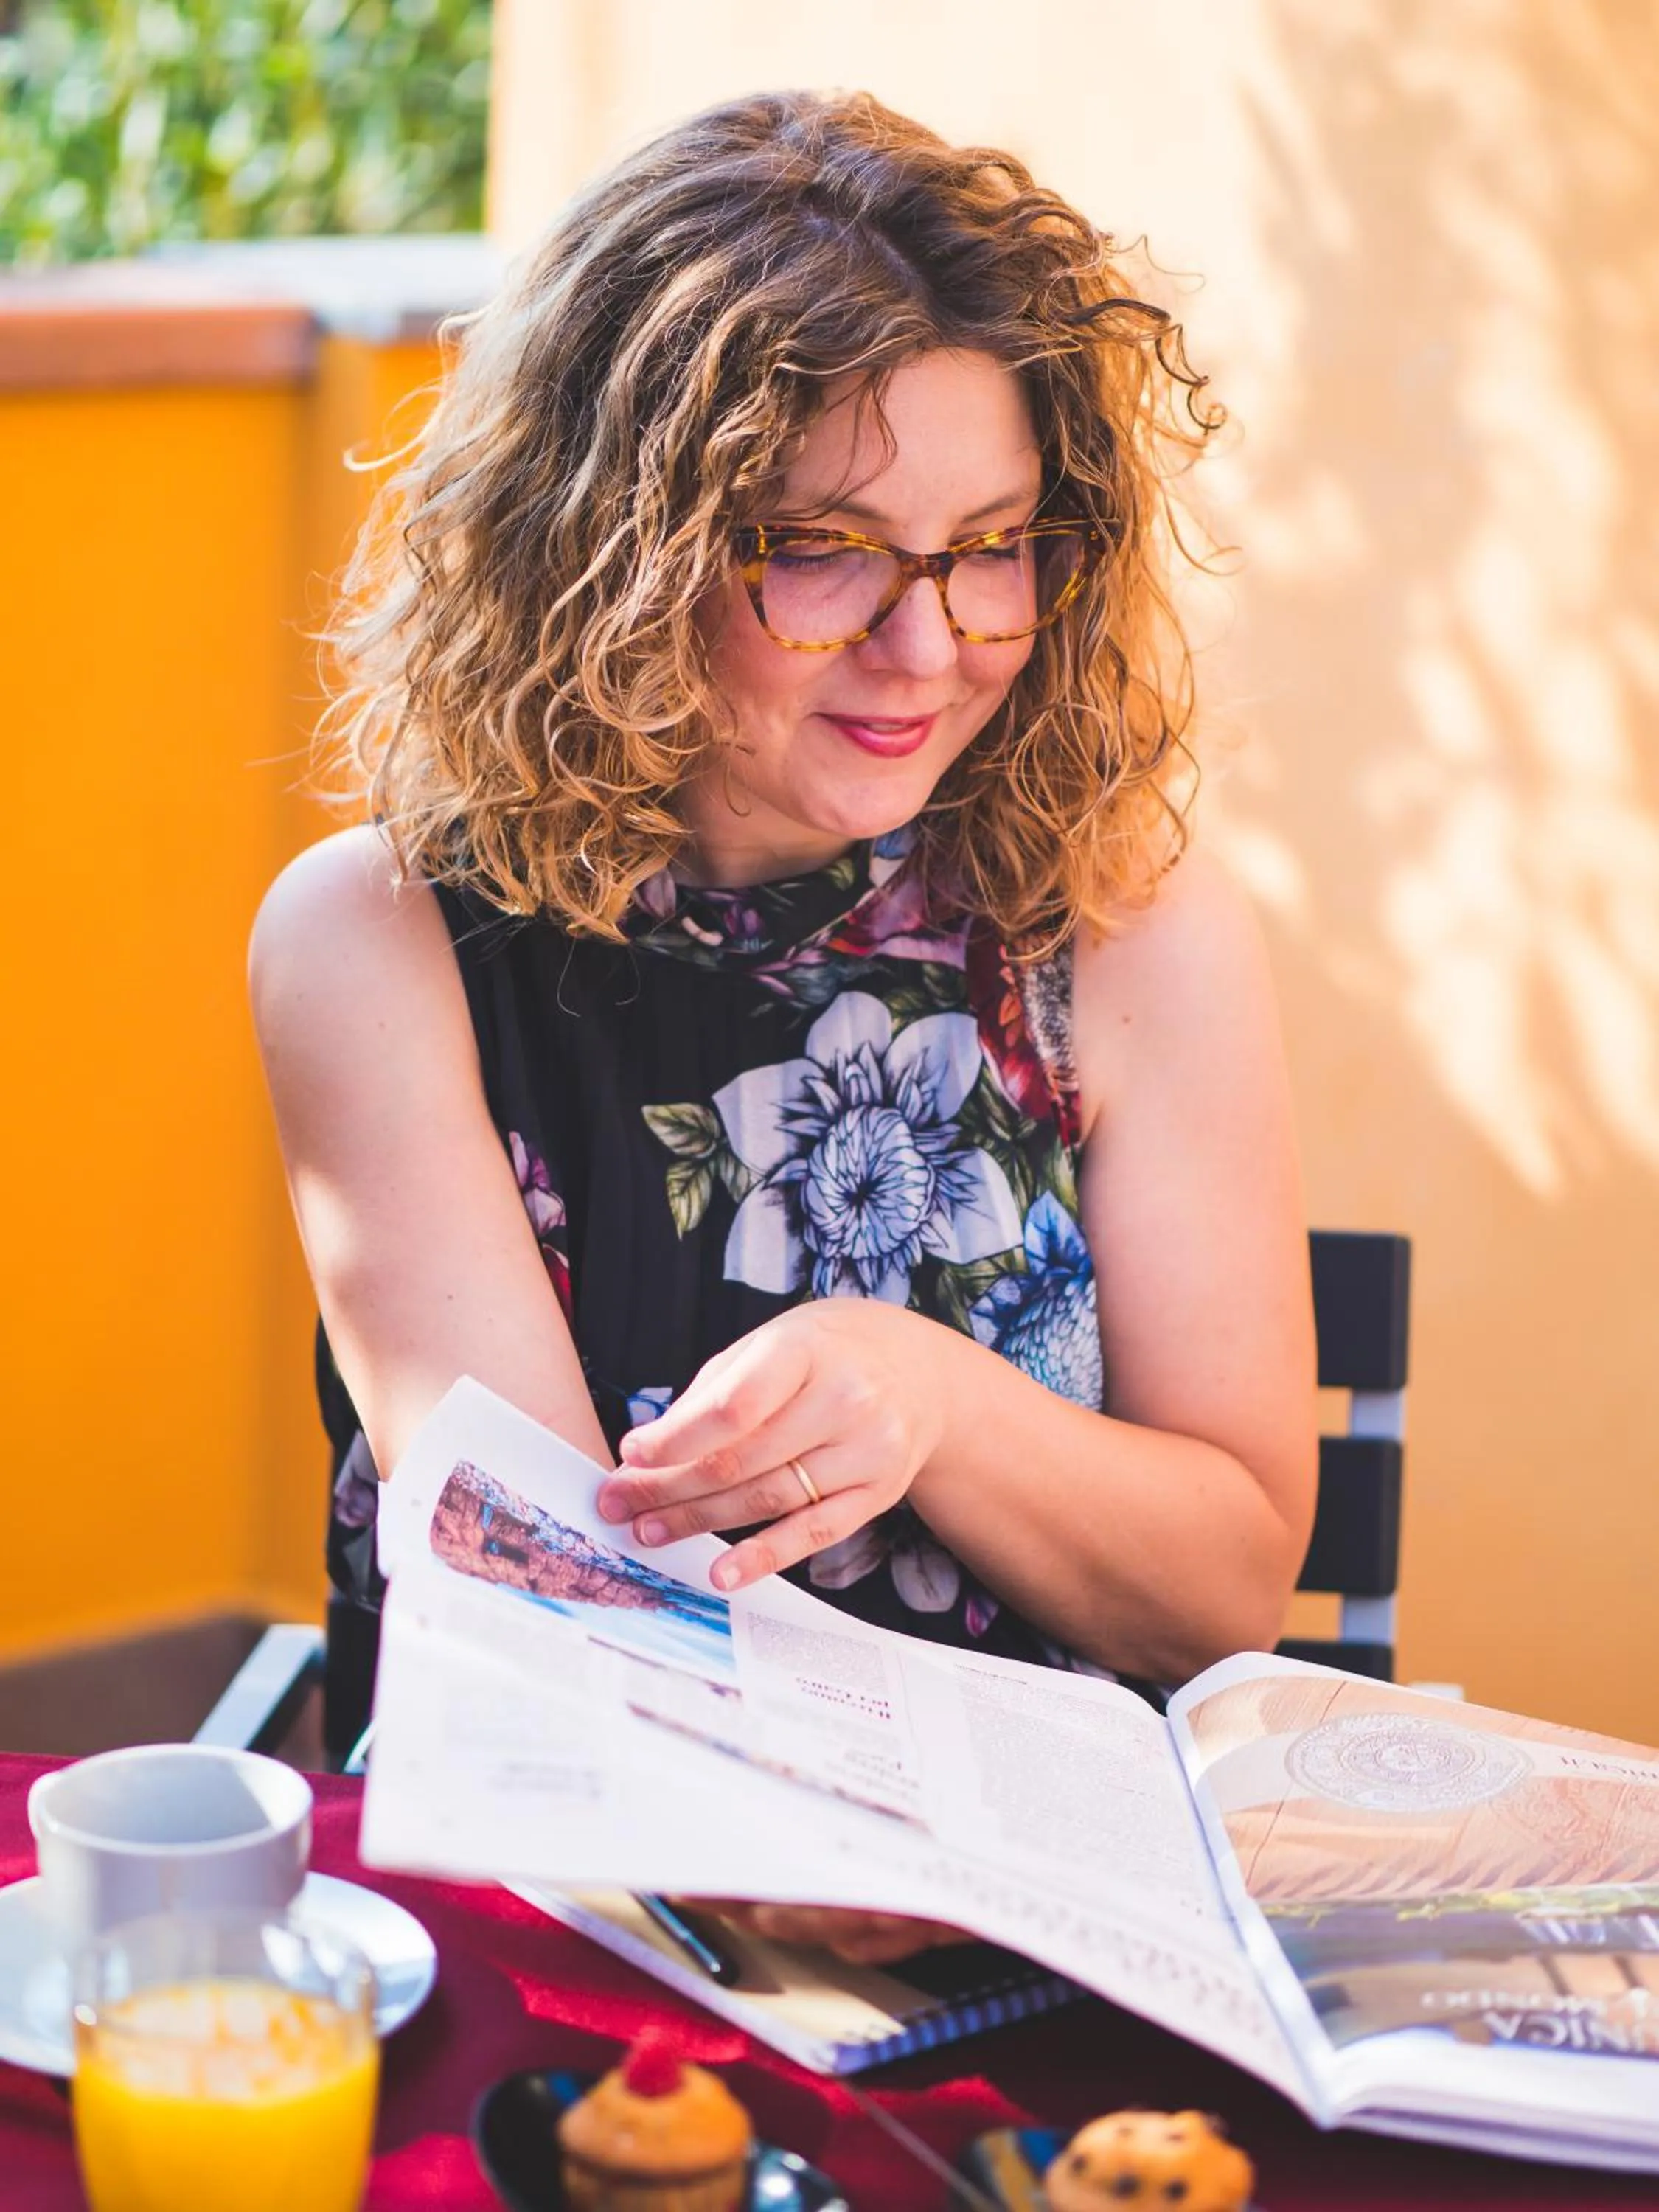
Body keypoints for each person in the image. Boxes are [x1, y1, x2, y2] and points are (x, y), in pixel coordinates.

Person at [251, 90, 1317, 1963]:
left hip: (1036, 1939)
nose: (933, 644)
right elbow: (564, 1618)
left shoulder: (1128, 932)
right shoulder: (380, 941)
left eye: (994, 543)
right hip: (580, 1921)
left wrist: (933, 1397)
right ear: (612, 554)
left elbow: (1226, 1590)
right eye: (822, 548)